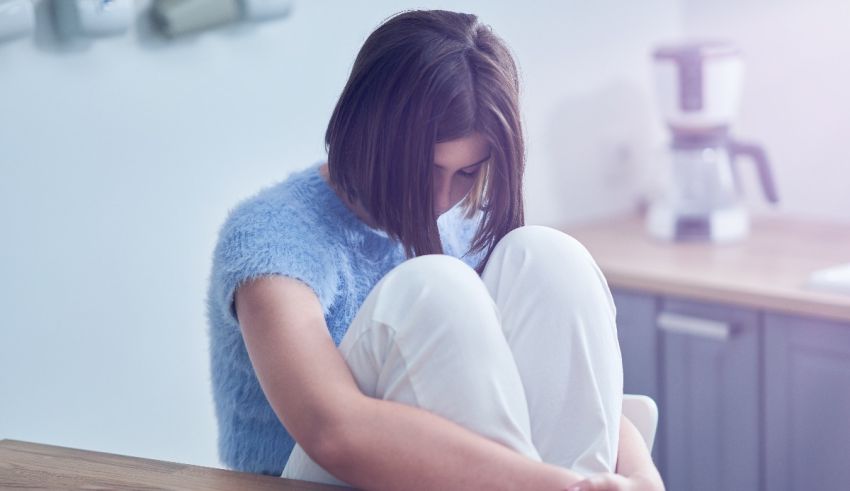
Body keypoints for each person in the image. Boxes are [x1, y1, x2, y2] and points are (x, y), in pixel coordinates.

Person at [207, 9, 664, 491]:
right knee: (434, 285)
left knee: (548, 257)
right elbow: (332, 429)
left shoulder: (460, 228)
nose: (442, 199)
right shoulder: (273, 237)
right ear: (368, 135)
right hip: (307, 482)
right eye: (426, 168)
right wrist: (550, 484)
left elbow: (573, 394)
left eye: (468, 173)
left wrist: (640, 477)